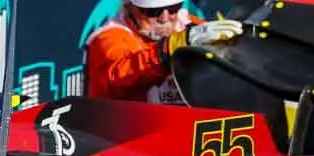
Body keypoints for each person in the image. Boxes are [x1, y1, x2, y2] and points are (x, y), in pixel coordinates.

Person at [85, 1, 243, 103]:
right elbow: (117, 80)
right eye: (154, 12)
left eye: (173, 8)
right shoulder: (109, 37)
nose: (165, 17)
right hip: (130, 139)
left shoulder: (188, 24)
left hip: (186, 132)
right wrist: (169, 48)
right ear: (128, 6)